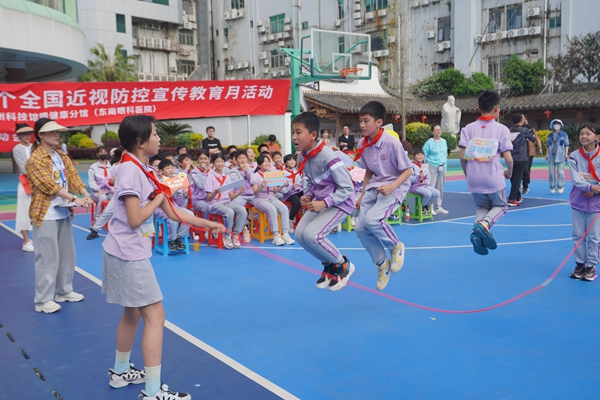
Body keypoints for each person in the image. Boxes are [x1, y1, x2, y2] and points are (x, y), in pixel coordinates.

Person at [102, 115, 224, 399]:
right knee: (156, 317)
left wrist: (205, 223)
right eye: (155, 134)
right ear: (140, 141)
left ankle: (120, 372)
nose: (159, 138)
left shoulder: (142, 169)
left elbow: (172, 211)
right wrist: (160, 196)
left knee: (132, 312)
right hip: (128, 254)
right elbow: (135, 219)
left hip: (122, 250)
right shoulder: (131, 171)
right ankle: (153, 391)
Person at [26, 118, 93, 313]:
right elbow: (49, 186)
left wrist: (86, 194)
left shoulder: (60, 155)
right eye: (52, 132)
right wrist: (75, 198)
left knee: (67, 255)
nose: (57, 135)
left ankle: (63, 291)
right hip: (45, 214)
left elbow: (72, 177)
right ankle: (43, 300)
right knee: (47, 258)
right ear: (40, 135)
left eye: (58, 132)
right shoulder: (36, 159)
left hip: (63, 212)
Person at [292, 112, 356, 292]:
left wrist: (324, 202)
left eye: (298, 132)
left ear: (313, 135)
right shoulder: (301, 156)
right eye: (293, 132)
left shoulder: (328, 156)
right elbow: (313, 182)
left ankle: (343, 265)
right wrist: (309, 196)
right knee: (299, 235)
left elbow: (347, 188)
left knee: (313, 235)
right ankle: (329, 264)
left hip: (341, 202)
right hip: (320, 200)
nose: (294, 137)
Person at [354, 101, 411, 291]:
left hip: (395, 184)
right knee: (360, 228)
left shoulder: (391, 142)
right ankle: (382, 264)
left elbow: (408, 171)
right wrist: (362, 195)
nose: (362, 125)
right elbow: (368, 171)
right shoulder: (363, 142)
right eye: (360, 121)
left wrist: (391, 186)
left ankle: (396, 246)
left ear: (378, 122)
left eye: (366, 121)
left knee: (373, 220)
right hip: (375, 185)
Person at [459, 90, 513, 256]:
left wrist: (467, 173)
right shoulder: (502, 129)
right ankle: (484, 225)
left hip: (474, 179)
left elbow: (462, 155)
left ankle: (476, 232)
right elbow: (509, 158)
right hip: (493, 178)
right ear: (497, 108)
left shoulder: (467, 129)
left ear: (478, 108)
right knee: (501, 206)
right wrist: (509, 173)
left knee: (482, 205)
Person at [568, 123, 600, 281]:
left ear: (597, 137)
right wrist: (590, 187)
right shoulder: (574, 156)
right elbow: (575, 179)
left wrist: (596, 189)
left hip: (596, 204)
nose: (584, 136)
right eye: (582, 134)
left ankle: (591, 266)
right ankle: (580, 264)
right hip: (578, 201)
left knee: (594, 237)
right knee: (578, 235)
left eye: (588, 133)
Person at [205, 153, 247, 249]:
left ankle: (235, 234)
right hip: (214, 204)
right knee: (229, 212)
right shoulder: (210, 177)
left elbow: (231, 197)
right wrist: (215, 192)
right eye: (217, 162)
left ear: (225, 163)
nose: (220, 164)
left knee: (242, 210)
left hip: (227, 202)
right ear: (213, 163)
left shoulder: (227, 177)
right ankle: (226, 235)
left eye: (222, 161)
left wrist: (240, 192)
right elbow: (209, 198)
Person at [250, 154, 295, 246]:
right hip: (260, 199)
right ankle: (276, 235)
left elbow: (274, 190)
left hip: (272, 197)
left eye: (268, 161)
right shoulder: (255, 176)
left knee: (284, 208)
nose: (267, 163)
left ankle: (285, 234)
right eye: (264, 162)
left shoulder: (271, 174)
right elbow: (255, 192)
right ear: (259, 165)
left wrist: (282, 185)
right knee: (272, 210)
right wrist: (261, 186)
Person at [155, 159, 193, 252]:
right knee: (173, 218)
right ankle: (170, 240)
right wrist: (173, 189)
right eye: (168, 168)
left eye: (172, 168)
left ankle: (178, 237)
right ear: (161, 171)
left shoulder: (176, 180)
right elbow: (160, 199)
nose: (171, 170)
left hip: (175, 207)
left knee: (190, 216)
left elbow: (179, 203)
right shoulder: (158, 182)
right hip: (162, 209)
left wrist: (185, 194)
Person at [87, 148, 124, 240]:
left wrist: (112, 189)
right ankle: (96, 225)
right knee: (106, 204)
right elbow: (110, 181)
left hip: (114, 191)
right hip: (99, 192)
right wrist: (98, 189)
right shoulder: (95, 167)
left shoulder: (113, 166)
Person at [12, 123, 35, 252]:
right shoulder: (17, 149)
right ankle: (26, 241)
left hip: (38, 185)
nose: (28, 136)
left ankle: (37, 238)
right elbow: (24, 168)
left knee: (38, 212)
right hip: (25, 184)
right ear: (19, 135)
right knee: (24, 212)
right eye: (24, 133)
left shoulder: (35, 147)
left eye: (29, 133)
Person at [508, 114, 536, 206]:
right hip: (521, 157)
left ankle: (518, 196)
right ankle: (512, 199)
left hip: (510, 157)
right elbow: (533, 138)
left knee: (513, 177)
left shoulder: (509, 130)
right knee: (517, 179)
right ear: (521, 121)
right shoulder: (525, 130)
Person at [422, 124, 449, 215]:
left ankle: (439, 206)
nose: (438, 131)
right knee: (431, 186)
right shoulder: (428, 143)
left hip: (442, 166)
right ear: (432, 132)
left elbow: (445, 153)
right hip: (432, 166)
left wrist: (444, 162)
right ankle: (430, 207)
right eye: (436, 130)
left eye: (439, 129)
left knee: (440, 186)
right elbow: (424, 155)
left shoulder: (444, 141)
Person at [409, 149, 440, 216]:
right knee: (428, 193)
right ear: (414, 156)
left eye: (422, 155)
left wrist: (424, 182)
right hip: (414, 187)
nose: (420, 156)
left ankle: (426, 206)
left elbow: (429, 178)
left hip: (424, 186)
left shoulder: (424, 166)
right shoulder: (411, 166)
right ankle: (420, 207)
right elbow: (409, 179)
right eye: (418, 155)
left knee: (437, 193)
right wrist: (418, 177)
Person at [88, 146, 113, 220]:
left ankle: (112, 216)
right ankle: (98, 217)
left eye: (105, 153)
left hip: (108, 191)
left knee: (116, 198)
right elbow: (91, 181)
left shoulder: (111, 167)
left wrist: (113, 189)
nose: (103, 154)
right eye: (101, 153)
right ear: (97, 154)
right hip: (97, 192)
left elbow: (113, 181)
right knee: (103, 197)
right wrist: (98, 189)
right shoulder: (93, 167)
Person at [546, 119, 570, 194]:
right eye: (555, 124)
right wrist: (547, 154)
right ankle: (552, 186)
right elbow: (548, 145)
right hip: (551, 155)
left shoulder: (564, 134)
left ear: (561, 125)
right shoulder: (550, 135)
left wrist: (566, 154)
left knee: (560, 171)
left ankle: (561, 186)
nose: (556, 125)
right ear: (552, 125)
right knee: (551, 172)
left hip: (560, 155)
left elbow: (566, 145)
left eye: (558, 124)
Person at [282, 154, 304, 233]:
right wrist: (292, 187)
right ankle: (290, 220)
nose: (292, 162)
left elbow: (301, 183)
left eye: (293, 160)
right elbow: (283, 189)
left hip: (297, 191)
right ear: (285, 163)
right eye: (289, 160)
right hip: (288, 194)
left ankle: (306, 222)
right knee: (297, 201)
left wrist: (298, 187)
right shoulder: (283, 173)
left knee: (309, 196)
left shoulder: (297, 172)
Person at [521, 117, 543, 195]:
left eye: (525, 119)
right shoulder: (518, 129)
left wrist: (540, 148)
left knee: (527, 168)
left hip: (530, 152)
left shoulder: (530, 128)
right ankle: (522, 183)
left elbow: (537, 139)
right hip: (521, 152)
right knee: (521, 168)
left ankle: (525, 184)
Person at [189, 149, 210, 218]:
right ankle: (206, 227)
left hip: (210, 198)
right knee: (206, 208)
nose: (203, 161)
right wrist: (204, 173)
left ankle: (215, 227)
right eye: (201, 159)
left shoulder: (212, 171)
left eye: (205, 158)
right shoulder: (194, 172)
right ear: (198, 159)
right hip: (198, 200)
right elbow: (201, 185)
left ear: (209, 159)